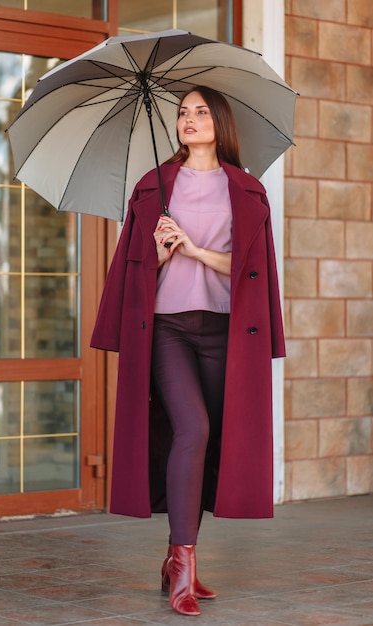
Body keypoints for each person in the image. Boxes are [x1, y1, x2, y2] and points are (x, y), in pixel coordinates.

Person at [90, 85, 286, 617]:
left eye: (201, 112)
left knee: (211, 442)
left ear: (220, 122)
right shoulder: (153, 187)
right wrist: (155, 253)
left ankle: (181, 560)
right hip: (169, 328)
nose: (190, 120)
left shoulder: (248, 190)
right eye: (183, 113)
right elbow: (134, 272)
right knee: (191, 429)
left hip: (226, 331)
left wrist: (196, 250)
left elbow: (251, 273)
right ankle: (182, 562)